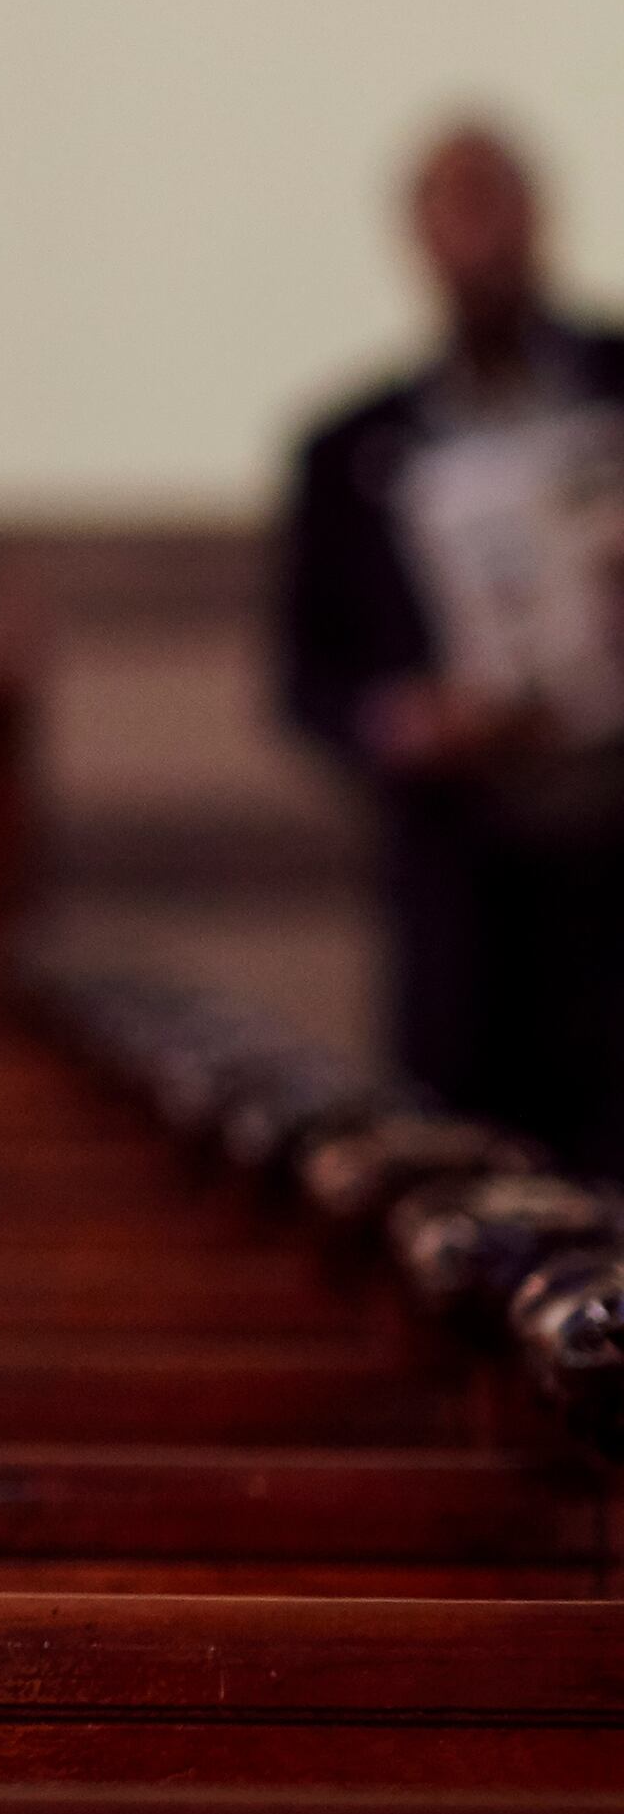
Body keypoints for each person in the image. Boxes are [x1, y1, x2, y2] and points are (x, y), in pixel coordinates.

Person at [278, 118, 624, 1166]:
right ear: (413, 235)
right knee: (470, 1186)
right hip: (464, 894)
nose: (476, 235)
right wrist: (403, 723)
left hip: (614, 867)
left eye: (494, 200)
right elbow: (305, 673)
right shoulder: (344, 449)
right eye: (450, 206)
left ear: (538, 214)